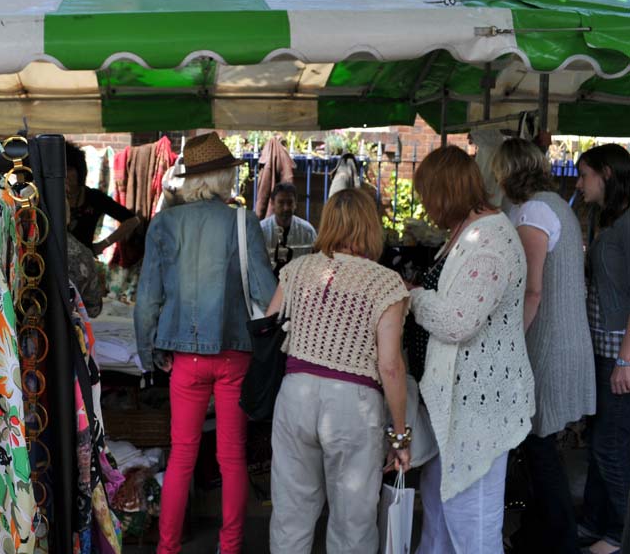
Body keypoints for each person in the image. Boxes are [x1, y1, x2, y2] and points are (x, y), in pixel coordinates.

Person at [134, 132, 275, 554]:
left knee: (181, 456)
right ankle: (229, 547)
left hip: (184, 357)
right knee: (232, 458)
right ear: (222, 177)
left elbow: (147, 299)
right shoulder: (241, 221)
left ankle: (167, 548)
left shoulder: (164, 224)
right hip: (234, 353)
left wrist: (149, 353)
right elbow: (267, 294)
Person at [266, 188, 410, 553]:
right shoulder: (385, 283)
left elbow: (268, 329)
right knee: (353, 522)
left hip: (295, 395)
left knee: (291, 513)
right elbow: (390, 366)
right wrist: (400, 434)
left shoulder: (296, 271)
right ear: (371, 226)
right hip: (354, 407)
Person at [409, 146, 534, 554]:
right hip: (455, 407)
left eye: (427, 195)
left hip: (478, 410)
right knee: (443, 512)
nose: (425, 206)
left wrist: (414, 298)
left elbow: (459, 320)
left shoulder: (490, 240)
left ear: (446, 191)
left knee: (474, 526)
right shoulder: (467, 229)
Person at [491, 138, 595, 554]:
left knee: (538, 446)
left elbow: (531, 291)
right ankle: (539, 535)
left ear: (509, 172)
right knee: (539, 445)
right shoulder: (555, 204)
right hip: (565, 340)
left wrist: (506, 342)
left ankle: (561, 541)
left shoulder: (533, 211)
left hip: (549, 344)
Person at [573, 144, 630, 554]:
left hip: (618, 353)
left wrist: (626, 358)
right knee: (599, 441)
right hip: (602, 348)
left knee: (610, 445)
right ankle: (597, 522)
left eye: (584, 174)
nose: (578, 183)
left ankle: (621, 532)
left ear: (606, 174)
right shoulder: (603, 218)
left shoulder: (627, 224)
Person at [66, 142, 140, 254]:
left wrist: (103, 244)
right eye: (61, 170)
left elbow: (132, 220)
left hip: (84, 260)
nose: (64, 175)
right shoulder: (48, 197)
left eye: (69, 169)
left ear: (79, 170)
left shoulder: (94, 197)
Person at [260, 182, 317, 277]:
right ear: (272, 203)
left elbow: (315, 264)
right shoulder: (261, 231)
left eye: (290, 203)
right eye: (281, 203)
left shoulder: (308, 232)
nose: (286, 208)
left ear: (295, 204)